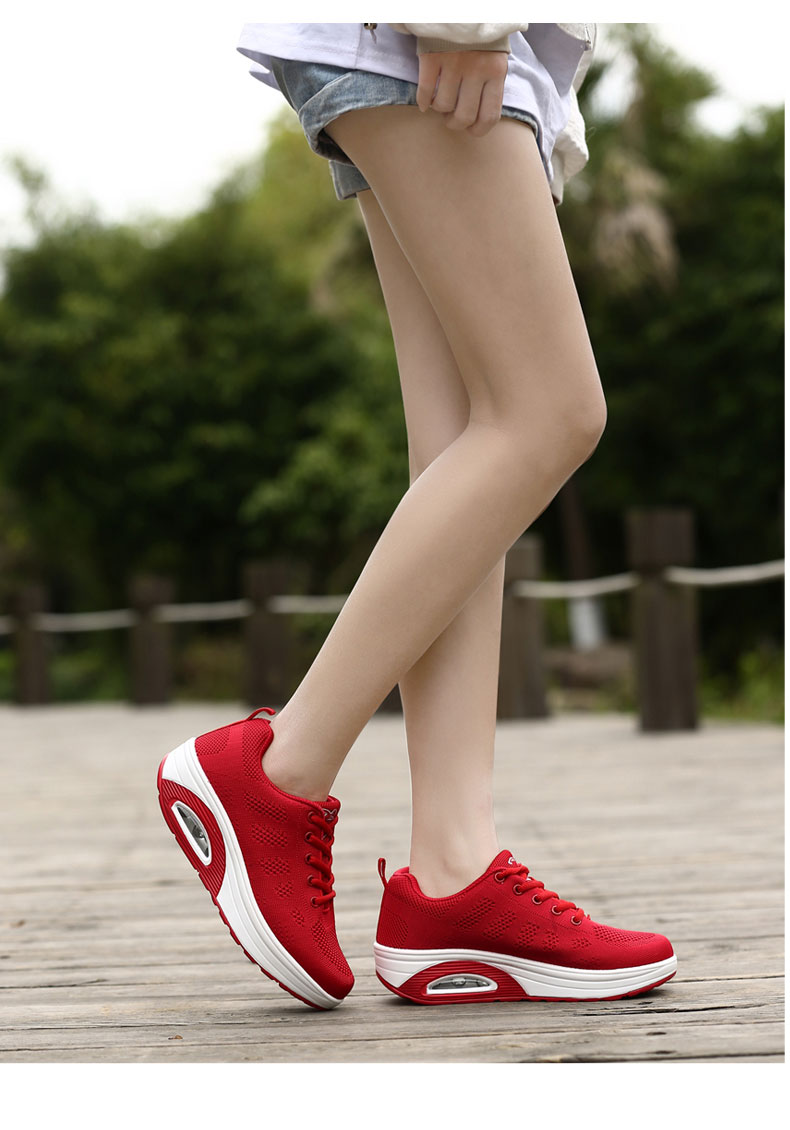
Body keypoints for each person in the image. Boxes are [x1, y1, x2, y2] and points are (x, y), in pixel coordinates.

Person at [157, 22, 677, 1009]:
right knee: (550, 411)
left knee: (466, 442)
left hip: (427, 46)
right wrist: (459, 21)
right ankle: (275, 771)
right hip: (434, 40)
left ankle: (451, 873)